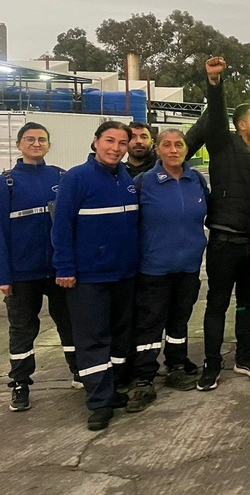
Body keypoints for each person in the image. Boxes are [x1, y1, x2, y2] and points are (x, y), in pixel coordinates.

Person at [51, 121, 138, 431]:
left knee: (119, 335)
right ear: (96, 141)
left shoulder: (126, 178)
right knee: (92, 339)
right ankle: (99, 402)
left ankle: (110, 390)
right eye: (109, 140)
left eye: (122, 143)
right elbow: (61, 226)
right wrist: (64, 267)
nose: (116, 148)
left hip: (124, 274)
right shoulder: (76, 178)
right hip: (89, 277)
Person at [195, 56, 250, 391]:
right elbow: (215, 117)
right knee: (217, 304)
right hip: (224, 244)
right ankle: (212, 363)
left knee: (246, 304)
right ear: (241, 125)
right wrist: (215, 83)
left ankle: (244, 355)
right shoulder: (223, 145)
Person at [127, 129, 209, 410]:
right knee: (149, 323)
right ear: (157, 149)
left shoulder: (196, 180)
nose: (173, 150)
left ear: (186, 149)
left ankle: (176, 365)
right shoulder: (143, 183)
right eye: (167, 145)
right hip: (154, 269)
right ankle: (144, 377)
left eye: (179, 144)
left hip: (188, 267)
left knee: (179, 320)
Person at [2, 122, 78, 412]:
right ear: (19, 144)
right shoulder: (7, 183)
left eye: (42, 140)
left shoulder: (61, 177)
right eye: (30, 139)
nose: (36, 144)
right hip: (22, 274)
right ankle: (20, 383)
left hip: (59, 271)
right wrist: (4, 275)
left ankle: (79, 371)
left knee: (69, 323)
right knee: (22, 329)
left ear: (48, 145)